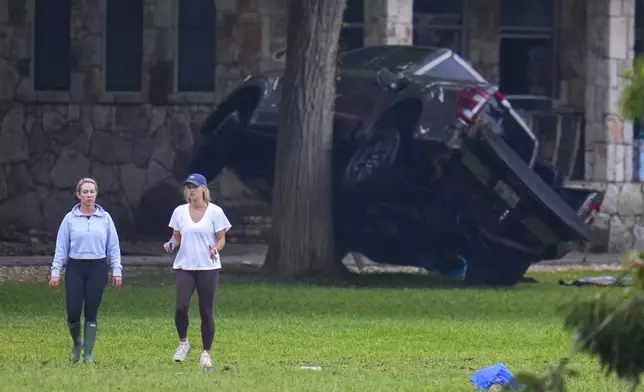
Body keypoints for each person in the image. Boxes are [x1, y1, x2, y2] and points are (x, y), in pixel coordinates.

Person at [48, 177, 123, 365]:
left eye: (92, 191)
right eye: (85, 192)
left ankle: (88, 354)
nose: (89, 195)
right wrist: (55, 272)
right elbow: (61, 247)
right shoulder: (70, 219)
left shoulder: (105, 218)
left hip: (97, 267)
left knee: (91, 311)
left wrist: (117, 270)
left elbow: (113, 246)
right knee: (73, 311)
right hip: (75, 267)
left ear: (96, 194)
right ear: (78, 195)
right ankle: (77, 343)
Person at [163, 173, 232, 370]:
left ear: (203, 189)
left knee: (206, 311)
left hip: (208, 267)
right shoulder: (179, 212)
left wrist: (215, 248)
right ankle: (183, 342)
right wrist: (170, 244)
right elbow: (176, 237)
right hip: (185, 266)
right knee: (181, 307)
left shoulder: (215, 212)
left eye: (194, 187)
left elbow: (221, 239)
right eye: (188, 187)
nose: (191, 190)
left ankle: (206, 353)